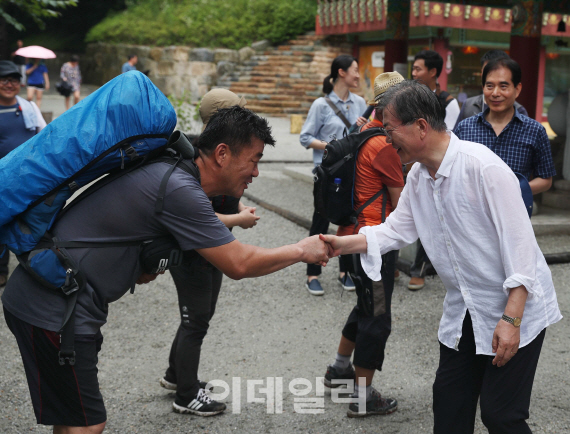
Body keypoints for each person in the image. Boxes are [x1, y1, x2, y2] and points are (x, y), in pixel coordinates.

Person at [2, 105, 330, 433]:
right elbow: (239, 263)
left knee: (75, 420)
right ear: (222, 154)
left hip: (51, 299)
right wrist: (303, 249)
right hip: (54, 309)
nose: (256, 172)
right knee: (87, 425)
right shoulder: (180, 189)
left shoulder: (173, 169)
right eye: (254, 159)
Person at [321, 79, 562, 434]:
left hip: (515, 308)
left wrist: (511, 322)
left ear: (420, 126)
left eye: (390, 130)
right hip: (465, 306)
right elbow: (395, 230)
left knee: (501, 415)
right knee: (449, 405)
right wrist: (336, 244)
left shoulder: (484, 169)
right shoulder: (419, 176)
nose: (386, 139)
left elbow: (522, 250)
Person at [159, 89, 259, 417]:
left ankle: (177, 376)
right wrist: (238, 219)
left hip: (213, 247)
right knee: (196, 321)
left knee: (197, 316)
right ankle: (186, 395)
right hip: (196, 253)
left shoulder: (219, 154)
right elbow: (194, 214)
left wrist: (239, 205)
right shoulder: (202, 158)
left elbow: (221, 199)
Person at [323, 72, 405, 418]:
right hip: (375, 244)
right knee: (377, 317)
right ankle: (363, 396)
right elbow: (402, 206)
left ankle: (340, 368)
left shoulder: (361, 133)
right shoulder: (384, 146)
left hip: (355, 235)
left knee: (365, 305)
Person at [300, 54, 367, 296]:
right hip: (327, 174)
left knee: (348, 221)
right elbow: (305, 138)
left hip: (352, 172)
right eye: (355, 70)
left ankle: (345, 272)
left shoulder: (360, 103)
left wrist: (363, 127)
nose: (358, 75)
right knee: (321, 220)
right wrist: (330, 147)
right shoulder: (321, 105)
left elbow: (364, 137)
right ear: (341, 72)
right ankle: (312, 274)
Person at [454, 57, 555, 196]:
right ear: (483, 88)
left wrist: (512, 191)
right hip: (471, 214)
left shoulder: (535, 131)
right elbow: (451, 172)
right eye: (490, 86)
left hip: (514, 213)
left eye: (503, 86)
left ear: (517, 89)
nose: (495, 93)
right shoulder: (465, 128)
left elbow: (545, 179)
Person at [0, 60, 46, 288]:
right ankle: (1, 271)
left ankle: (33, 272)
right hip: (0, 182)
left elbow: (45, 137)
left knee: (31, 226)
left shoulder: (29, 108)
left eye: (14, 80)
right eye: (4, 79)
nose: (9, 84)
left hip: (27, 180)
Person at [454, 50, 528, 128]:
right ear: (482, 73)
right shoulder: (468, 105)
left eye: (503, 86)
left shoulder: (519, 111)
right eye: (487, 70)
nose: (495, 93)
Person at [412, 50, 459, 130]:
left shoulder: (448, 102)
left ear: (433, 72)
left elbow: (450, 135)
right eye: (413, 69)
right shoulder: (409, 97)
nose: (413, 73)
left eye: (418, 69)